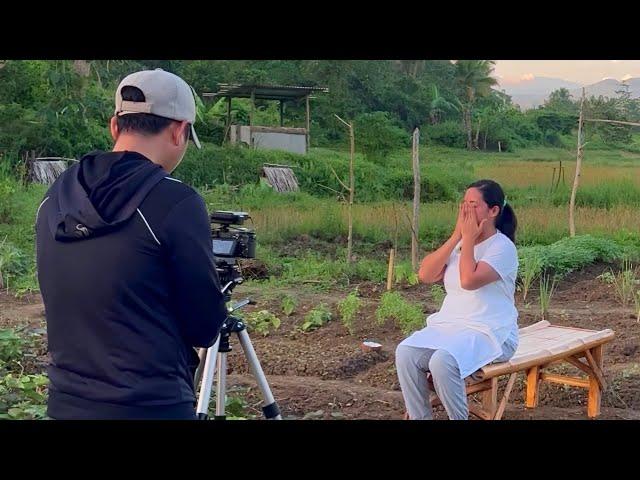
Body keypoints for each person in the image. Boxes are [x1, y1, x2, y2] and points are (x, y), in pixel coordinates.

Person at [35, 69, 228, 419]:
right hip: (152, 405)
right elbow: (205, 326)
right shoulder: (176, 203)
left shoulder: (55, 201)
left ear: (114, 126)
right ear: (179, 130)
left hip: (65, 403)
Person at [395, 179, 519, 420]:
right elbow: (425, 274)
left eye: (473, 205)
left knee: (443, 361)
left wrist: (469, 240)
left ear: (493, 211)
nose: (465, 211)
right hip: (453, 327)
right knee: (406, 352)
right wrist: (457, 236)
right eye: (463, 204)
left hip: (492, 331)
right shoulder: (460, 245)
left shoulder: (503, 248)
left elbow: (468, 280)